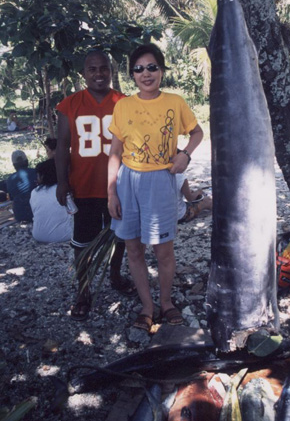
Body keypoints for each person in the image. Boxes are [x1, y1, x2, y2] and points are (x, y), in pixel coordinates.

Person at [108, 43, 203, 332]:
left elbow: (198, 132)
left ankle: (166, 302)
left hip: (161, 182)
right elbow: (114, 152)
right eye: (139, 69)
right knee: (134, 250)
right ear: (131, 74)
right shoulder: (123, 106)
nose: (146, 73)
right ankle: (147, 306)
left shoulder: (175, 102)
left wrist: (185, 154)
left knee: (163, 250)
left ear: (161, 70)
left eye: (152, 67)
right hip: (128, 182)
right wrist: (111, 191)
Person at [55, 48, 135, 322]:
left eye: (104, 69)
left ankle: (115, 275)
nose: (99, 74)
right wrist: (62, 182)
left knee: (119, 236)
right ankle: (84, 290)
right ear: (84, 73)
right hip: (85, 185)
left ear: (111, 72)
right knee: (82, 242)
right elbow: (63, 146)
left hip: (119, 185)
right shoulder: (70, 104)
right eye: (93, 69)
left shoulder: (124, 102)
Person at [30, 158, 73, 243]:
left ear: (43, 176)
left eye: (38, 175)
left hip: (38, 235)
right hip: (64, 236)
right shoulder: (66, 190)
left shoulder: (34, 192)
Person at [5, 150, 36, 222]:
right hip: (37, 212)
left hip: (20, 215)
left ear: (14, 165)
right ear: (27, 161)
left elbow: (12, 198)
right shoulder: (37, 172)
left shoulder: (10, 179)